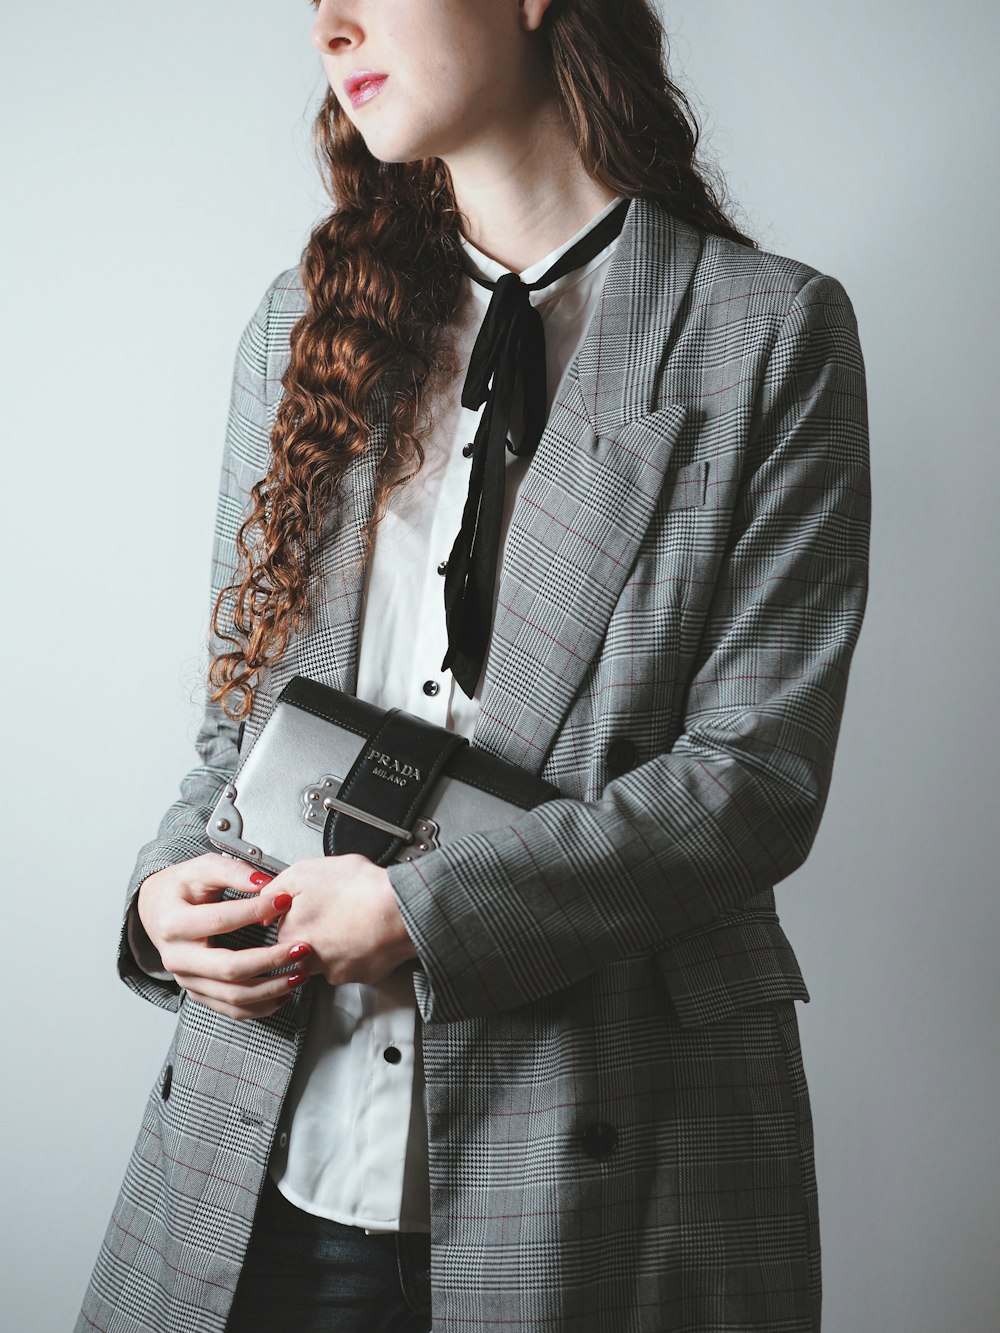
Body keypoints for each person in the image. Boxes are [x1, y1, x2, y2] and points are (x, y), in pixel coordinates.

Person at [76, 1, 870, 1330]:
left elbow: (754, 779)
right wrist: (166, 893)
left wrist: (430, 912)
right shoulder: (303, 326)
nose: (329, 20)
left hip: (606, 1153)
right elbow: (241, 733)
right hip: (273, 1143)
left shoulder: (765, 333)